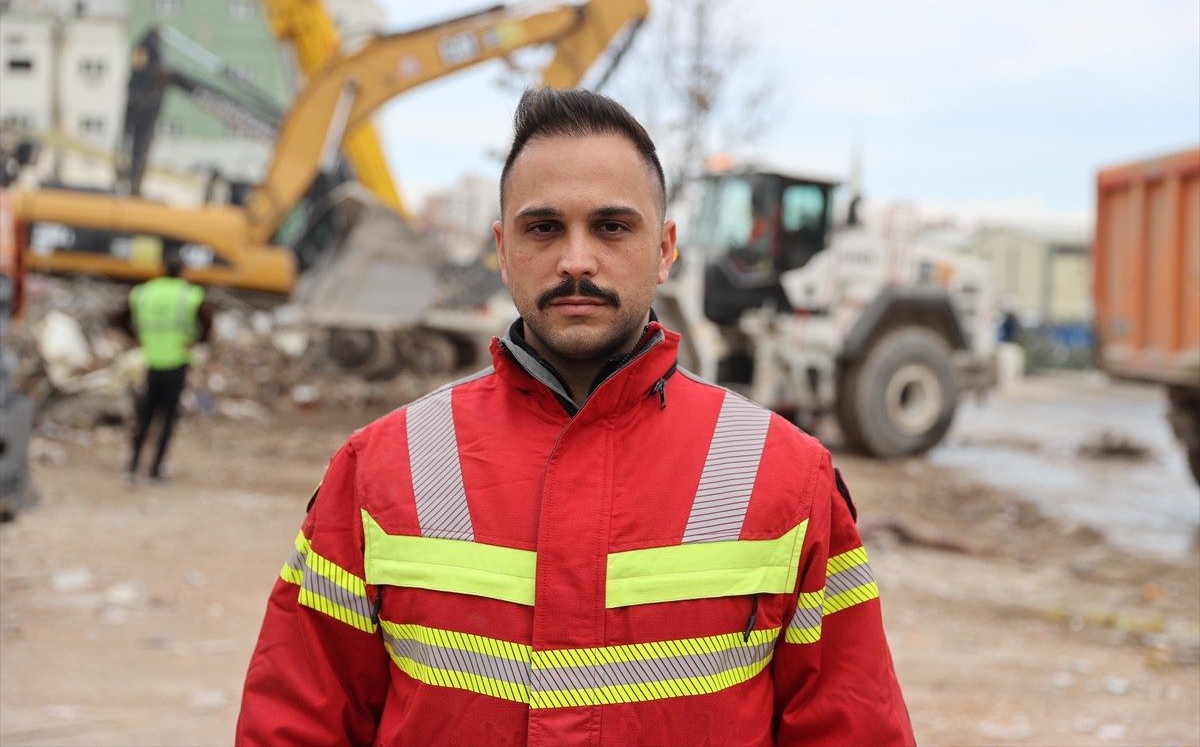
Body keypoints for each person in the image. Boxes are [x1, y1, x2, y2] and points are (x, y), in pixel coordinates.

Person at [236, 87, 915, 746]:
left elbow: (852, 725)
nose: (577, 260)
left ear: (666, 249)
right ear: (502, 250)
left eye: (613, 227)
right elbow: (297, 722)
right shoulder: (381, 468)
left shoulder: (789, 477)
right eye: (544, 228)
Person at [111, 248, 211, 484]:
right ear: (183, 271)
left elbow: (119, 318)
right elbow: (207, 323)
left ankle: (133, 467)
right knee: (167, 418)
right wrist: (195, 342)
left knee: (144, 416)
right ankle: (155, 470)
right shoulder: (190, 294)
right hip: (176, 362)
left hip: (149, 361)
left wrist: (137, 337)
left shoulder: (144, 292)